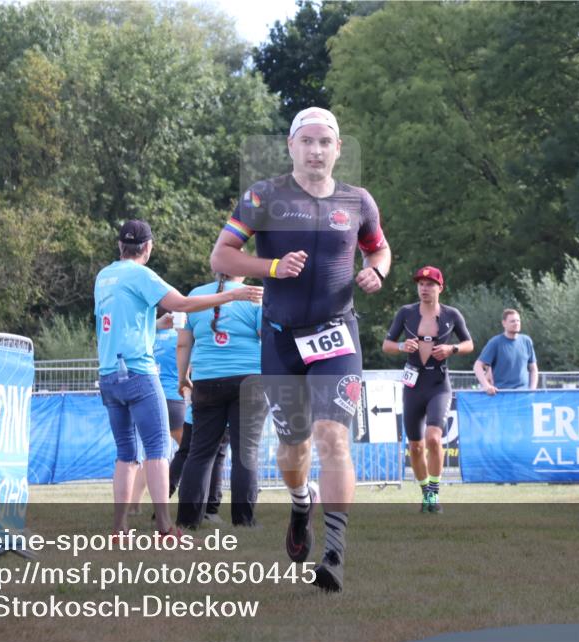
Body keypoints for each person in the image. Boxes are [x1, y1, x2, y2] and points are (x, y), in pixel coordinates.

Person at [210, 106, 391, 593]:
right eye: (306, 141)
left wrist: (376, 270)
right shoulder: (263, 195)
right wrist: (271, 268)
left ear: (338, 149)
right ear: (291, 146)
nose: (315, 150)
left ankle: (334, 553)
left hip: (337, 335)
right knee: (293, 449)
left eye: (324, 142)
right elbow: (221, 256)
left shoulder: (358, 201)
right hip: (281, 338)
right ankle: (299, 502)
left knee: (333, 436)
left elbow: (378, 247)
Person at [95, 219, 262, 538]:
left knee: (126, 454)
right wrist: (233, 296)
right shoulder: (141, 274)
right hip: (139, 373)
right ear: (148, 247)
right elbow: (183, 303)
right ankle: (164, 527)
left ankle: (119, 527)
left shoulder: (104, 276)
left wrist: (157, 325)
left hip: (109, 374)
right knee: (158, 450)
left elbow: (117, 323)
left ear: (120, 246)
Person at [175, 271, 266, 528]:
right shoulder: (256, 296)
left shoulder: (195, 295)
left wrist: (183, 378)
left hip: (205, 380)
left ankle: (187, 521)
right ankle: (244, 521)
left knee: (200, 453)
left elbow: (183, 344)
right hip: (249, 380)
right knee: (245, 453)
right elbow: (266, 337)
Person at [382, 266, 473, 513]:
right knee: (415, 446)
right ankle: (425, 493)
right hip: (413, 384)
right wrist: (402, 346)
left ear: (440, 288)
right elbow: (387, 345)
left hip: (438, 384)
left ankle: (434, 493)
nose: (424, 288)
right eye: (421, 284)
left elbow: (469, 343)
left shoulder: (452, 314)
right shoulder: (406, 313)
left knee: (433, 438)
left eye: (430, 284)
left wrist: (452, 349)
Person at [127, 309, 187, 516]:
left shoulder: (147, 336)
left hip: (148, 397)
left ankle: (134, 505)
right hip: (173, 398)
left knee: (151, 454)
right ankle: (184, 499)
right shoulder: (179, 338)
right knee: (190, 451)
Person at [473, 309, 537, 394]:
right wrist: (486, 386)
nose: (516, 323)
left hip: (523, 394)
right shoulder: (495, 342)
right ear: (504, 323)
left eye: (518, 321)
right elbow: (477, 366)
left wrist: (532, 389)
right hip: (502, 394)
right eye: (512, 321)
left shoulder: (526, 341)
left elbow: (533, 369)